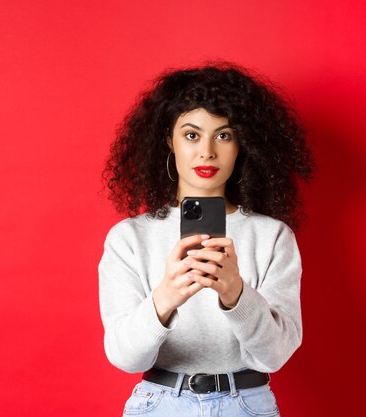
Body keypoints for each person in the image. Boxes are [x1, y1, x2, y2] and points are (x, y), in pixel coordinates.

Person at [98, 62, 314, 417]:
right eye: (192, 134)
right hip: (159, 405)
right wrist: (167, 296)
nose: (207, 152)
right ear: (169, 140)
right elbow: (124, 357)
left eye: (224, 135)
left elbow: (274, 357)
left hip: (247, 404)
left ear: (242, 145)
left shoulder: (272, 237)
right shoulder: (129, 239)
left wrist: (236, 294)